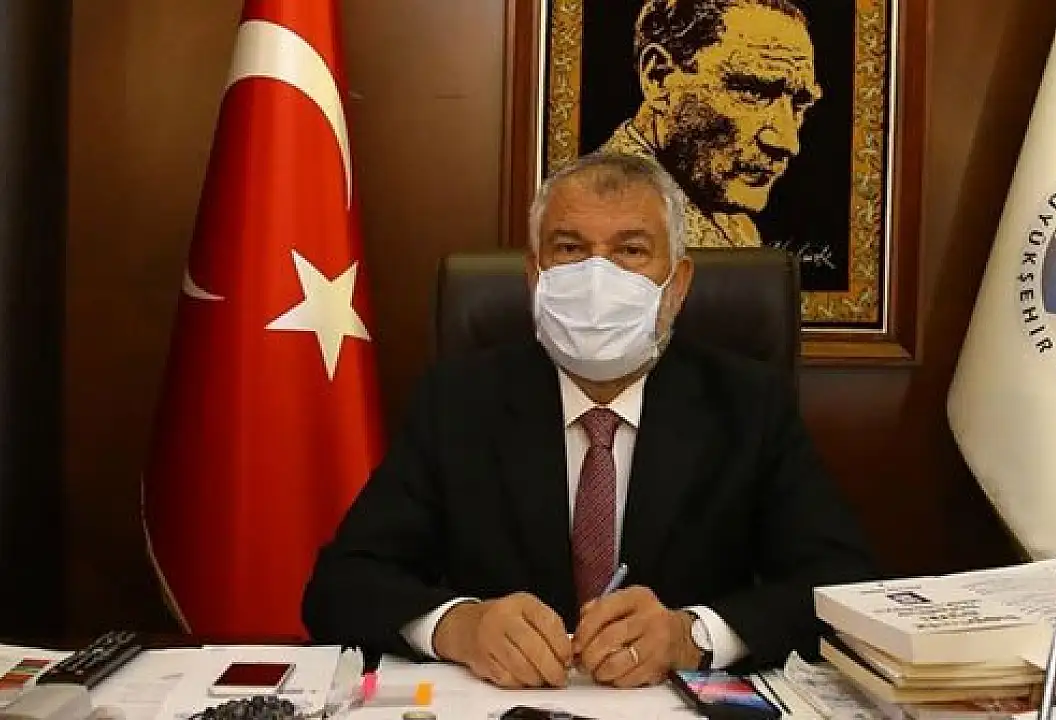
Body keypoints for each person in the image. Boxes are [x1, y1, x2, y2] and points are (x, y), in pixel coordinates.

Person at [302, 152, 875, 690]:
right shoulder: (457, 401)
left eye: (631, 250)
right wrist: (459, 626)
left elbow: (845, 585)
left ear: (677, 285)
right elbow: (342, 586)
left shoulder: (749, 405)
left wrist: (693, 635)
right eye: (570, 248)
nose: (598, 277)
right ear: (535, 277)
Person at [598, 0, 820, 248]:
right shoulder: (605, 216)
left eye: (799, 105)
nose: (789, 143)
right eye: (753, 92)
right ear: (659, 78)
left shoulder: (727, 215)